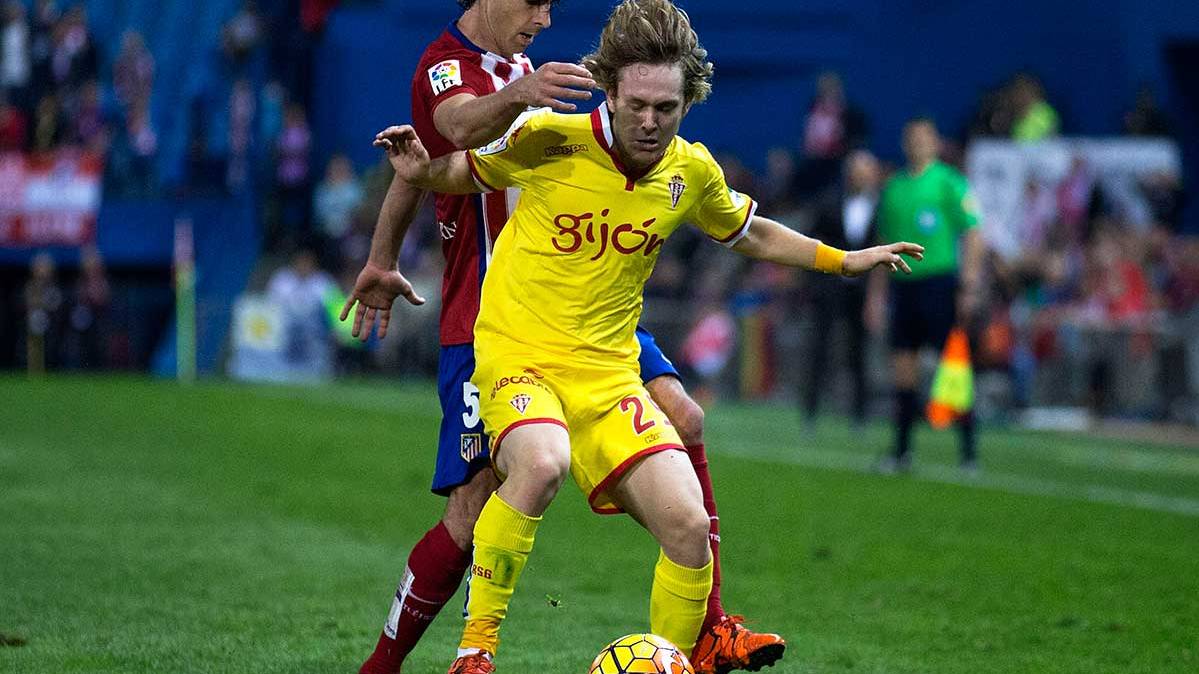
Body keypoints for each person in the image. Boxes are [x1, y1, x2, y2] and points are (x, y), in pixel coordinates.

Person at [375, 2, 922, 672]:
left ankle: (689, 654)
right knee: (539, 464)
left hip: (606, 374)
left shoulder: (689, 172)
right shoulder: (549, 138)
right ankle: (474, 653)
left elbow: (748, 232)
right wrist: (418, 171)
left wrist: (845, 260)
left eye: (666, 107)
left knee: (689, 525)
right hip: (520, 359)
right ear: (609, 92)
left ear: (688, 101)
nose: (649, 121)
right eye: (636, 104)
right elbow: (458, 169)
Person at [866, 117, 985, 473]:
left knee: (952, 367)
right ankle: (902, 451)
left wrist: (968, 283)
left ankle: (968, 453)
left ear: (935, 143)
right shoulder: (894, 188)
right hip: (904, 287)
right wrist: (875, 296)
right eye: (911, 138)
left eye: (923, 137)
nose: (917, 143)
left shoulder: (949, 182)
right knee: (903, 369)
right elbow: (882, 248)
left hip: (940, 283)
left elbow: (974, 234)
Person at [802, 150, 882, 425]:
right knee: (820, 349)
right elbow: (809, 241)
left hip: (861, 291)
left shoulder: (882, 207)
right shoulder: (829, 202)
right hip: (830, 287)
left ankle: (860, 415)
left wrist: (876, 296)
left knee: (858, 352)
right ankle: (810, 411)